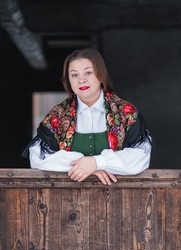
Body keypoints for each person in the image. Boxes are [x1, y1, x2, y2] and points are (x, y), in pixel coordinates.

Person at [22, 48, 152, 185]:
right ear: (68, 80)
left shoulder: (126, 113)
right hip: (66, 201)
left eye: (88, 72)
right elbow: (38, 158)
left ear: (100, 75)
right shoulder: (58, 116)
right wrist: (87, 166)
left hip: (117, 200)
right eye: (74, 75)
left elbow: (140, 158)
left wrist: (96, 162)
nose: (81, 80)